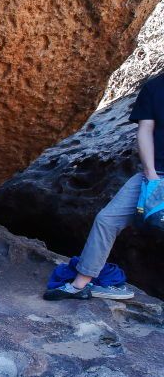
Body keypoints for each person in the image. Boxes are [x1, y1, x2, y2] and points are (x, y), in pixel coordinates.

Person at [44, 72, 163, 300]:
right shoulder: (154, 88)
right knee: (107, 220)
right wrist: (150, 174)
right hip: (153, 176)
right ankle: (81, 284)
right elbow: (145, 131)